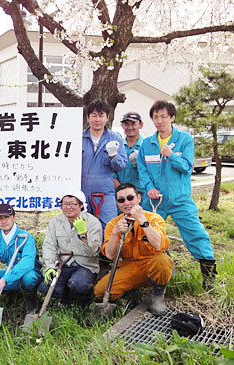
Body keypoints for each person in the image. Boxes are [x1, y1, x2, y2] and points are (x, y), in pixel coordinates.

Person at [137, 100, 217, 290]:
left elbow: (187, 167)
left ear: (172, 118)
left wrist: (171, 155)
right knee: (147, 236)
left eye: (163, 116)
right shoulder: (147, 144)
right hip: (155, 200)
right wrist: (148, 187)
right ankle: (156, 274)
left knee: (196, 234)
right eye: (155, 117)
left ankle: (209, 278)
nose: (159, 121)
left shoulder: (185, 139)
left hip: (180, 199)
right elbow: (142, 170)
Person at [93, 183, 174, 316]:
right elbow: (110, 255)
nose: (126, 203)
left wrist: (142, 220)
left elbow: (159, 244)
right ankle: (132, 290)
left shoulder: (153, 218)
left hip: (152, 264)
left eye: (130, 198)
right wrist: (115, 234)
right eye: (121, 200)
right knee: (100, 292)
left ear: (139, 198)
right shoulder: (113, 224)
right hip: (129, 267)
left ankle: (158, 295)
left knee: (162, 260)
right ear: (117, 203)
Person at [0, 204, 42, 315]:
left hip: (26, 275)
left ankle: (31, 302)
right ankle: (6, 292)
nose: (3, 221)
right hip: (10, 277)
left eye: (7, 217)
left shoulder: (26, 237)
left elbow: (27, 264)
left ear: (14, 218)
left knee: (29, 278)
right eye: (0, 218)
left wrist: (4, 280)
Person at [39, 190, 102, 305]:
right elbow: (49, 245)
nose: (68, 207)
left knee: (79, 284)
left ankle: (83, 300)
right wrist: (50, 267)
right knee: (45, 287)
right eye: (64, 204)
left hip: (85, 265)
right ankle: (66, 298)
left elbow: (93, 252)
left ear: (81, 205)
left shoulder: (92, 222)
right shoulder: (56, 222)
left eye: (72, 204)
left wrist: (83, 233)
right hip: (65, 264)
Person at [82, 99, 128, 229]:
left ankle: (106, 250)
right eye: (94, 115)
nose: (98, 119)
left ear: (107, 117)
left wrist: (113, 155)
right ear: (88, 117)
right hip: (81, 189)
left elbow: (122, 166)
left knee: (109, 226)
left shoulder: (115, 138)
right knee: (81, 226)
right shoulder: (79, 138)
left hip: (105, 190)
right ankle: (86, 250)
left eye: (101, 115)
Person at [112, 112, 149, 209]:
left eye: (133, 124)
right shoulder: (117, 146)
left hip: (142, 196)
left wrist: (140, 164)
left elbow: (153, 172)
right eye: (126, 124)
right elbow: (111, 172)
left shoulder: (147, 146)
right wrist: (121, 190)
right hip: (121, 197)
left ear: (141, 125)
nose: (130, 127)